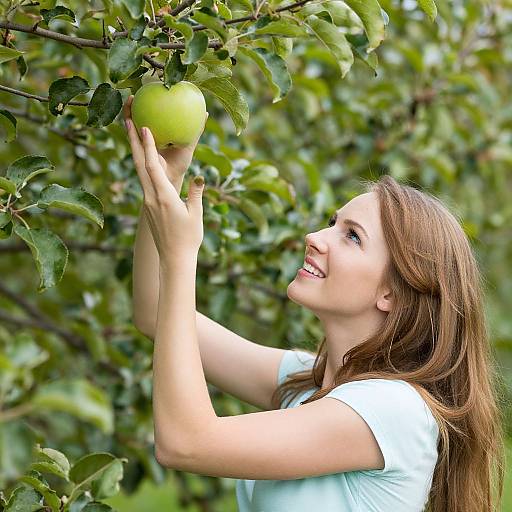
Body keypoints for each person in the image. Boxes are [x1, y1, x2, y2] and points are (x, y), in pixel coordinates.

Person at [125, 94, 505, 511]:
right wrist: (166, 184)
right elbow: (154, 310)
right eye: (332, 223)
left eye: (352, 236)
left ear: (392, 293)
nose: (315, 238)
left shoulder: (393, 409)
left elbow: (186, 442)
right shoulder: (309, 384)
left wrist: (181, 257)